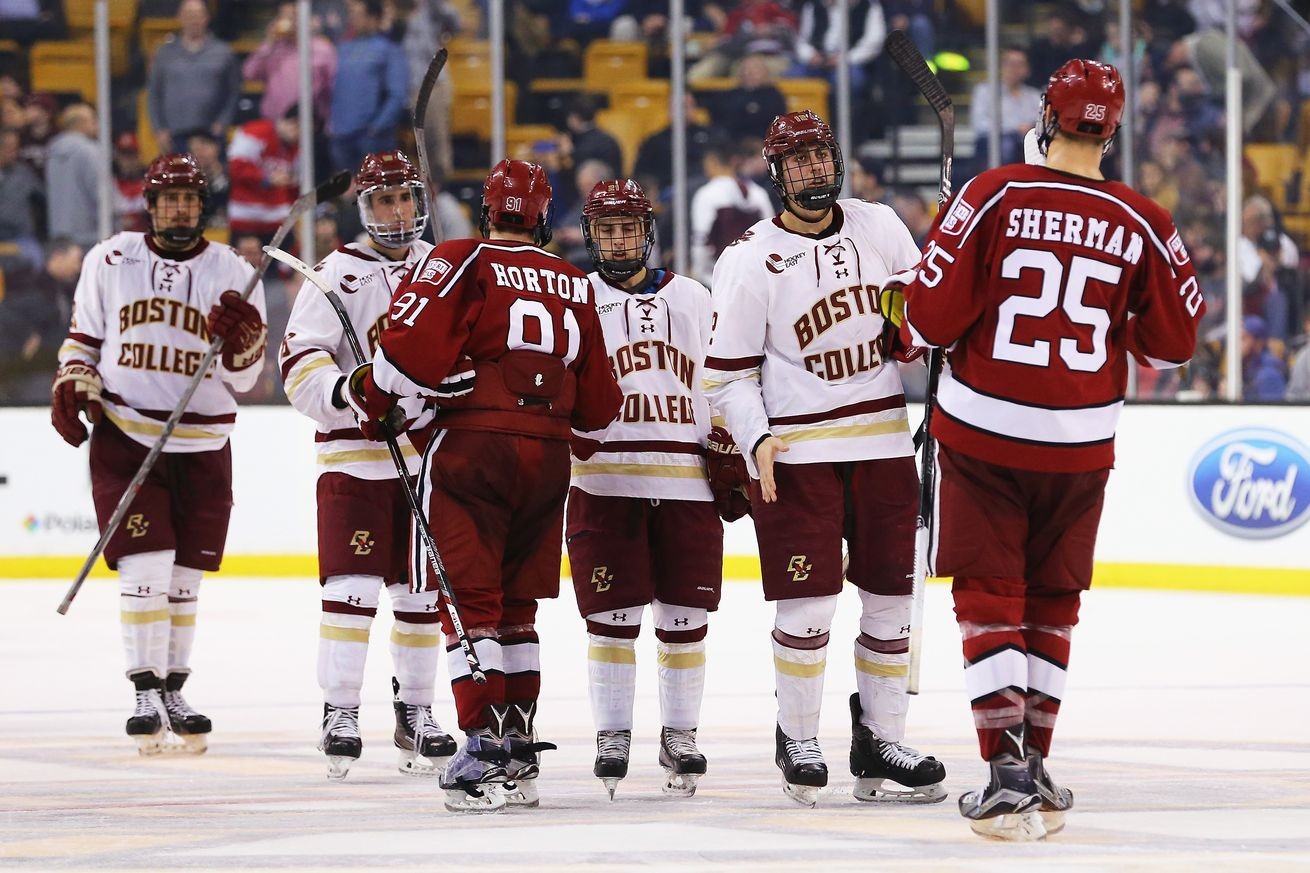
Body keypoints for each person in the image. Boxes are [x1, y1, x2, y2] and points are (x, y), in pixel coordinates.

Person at [891, 60, 1204, 841]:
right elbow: (1175, 345)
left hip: (985, 432)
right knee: (1054, 598)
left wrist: (922, 293)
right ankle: (1037, 760)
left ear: (1047, 117)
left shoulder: (992, 192)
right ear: (1115, 127)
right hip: (1082, 442)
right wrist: (1113, 329)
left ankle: (1004, 767)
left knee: (991, 592)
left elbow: (927, 319)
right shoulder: (1146, 219)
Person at [344, 159, 622, 812]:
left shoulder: (460, 257)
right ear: (545, 216)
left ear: (489, 207)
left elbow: (406, 349)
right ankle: (519, 743)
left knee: (470, 602)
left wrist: (375, 394)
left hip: (474, 450)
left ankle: (481, 743)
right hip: (549, 457)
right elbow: (600, 407)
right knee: (518, 608)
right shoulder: (575, 282)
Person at [702, 110, 946, 808]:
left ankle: (881, 739)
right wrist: (755, 438)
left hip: (881, 441)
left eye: (821, 155)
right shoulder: (748, 258)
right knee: (809, 607)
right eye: (798, 160)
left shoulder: (881, 225)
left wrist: (917, 326)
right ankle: (799, 735)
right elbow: (725, 374)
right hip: (797, 452)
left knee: (893, 603)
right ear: (775, 172)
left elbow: (916, 317)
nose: (813, 169)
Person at [51, 153, 267, 756]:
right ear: (149, 205)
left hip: (203, 443)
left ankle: (174, 687)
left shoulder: (234, 270)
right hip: (127, 432)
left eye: (189, 198)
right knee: (146, 567)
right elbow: (84, 339)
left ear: (203, 207)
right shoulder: (110, 258)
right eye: (167, 197)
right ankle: (145, 690)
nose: (178, 207)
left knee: (184, 578)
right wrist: (73, 378)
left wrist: (244, 342)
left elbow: (246, 382)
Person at [279, 150, 457, 781]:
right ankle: (341, 710)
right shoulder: (335, 275)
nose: (398, 210)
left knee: (418, 593)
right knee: (350, 592)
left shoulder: (444, 270)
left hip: (422, 461)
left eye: (406, 198)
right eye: (385, 200)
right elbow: (299, 363)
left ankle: (415, 711)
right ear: (365, 208)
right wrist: (350, 391)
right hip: (354, 461)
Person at [567, 179, 733, 800]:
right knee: (611, 620)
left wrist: (729, 443)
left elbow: (725, 375)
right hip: (604, 479)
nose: (619, 240)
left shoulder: (693, 297)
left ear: (647, 232)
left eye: (629, 228)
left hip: (687, 480)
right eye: (607, 229)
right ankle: (613, 735)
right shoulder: (576, 296)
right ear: (590, 234)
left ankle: (680, 736)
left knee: (685, 619)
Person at [146, 0, 241, 155]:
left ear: (206, 18)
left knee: (211, 178)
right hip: (174, 136)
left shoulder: (223, 52)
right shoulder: (164, 53)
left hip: (211, 134)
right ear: (180, 17)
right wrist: (159, 129)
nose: (194, 20)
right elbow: (154, 93)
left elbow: (233, 91)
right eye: (189, 15)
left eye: (198, 15)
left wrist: (223, 122)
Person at [328, 0, 409, 173]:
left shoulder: (389, 50)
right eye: (352, 15)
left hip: (371, 137)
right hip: (341, 134)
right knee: (348, 193)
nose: (352, 19)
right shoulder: (343, 49)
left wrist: (377, 127)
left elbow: (397, 94)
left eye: (358, 15)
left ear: (373, 18)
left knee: (376, 191)